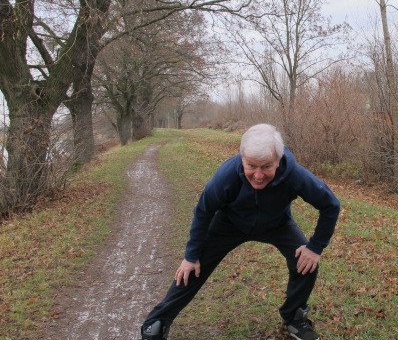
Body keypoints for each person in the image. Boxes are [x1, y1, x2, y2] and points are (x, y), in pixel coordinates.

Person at [140, 124, 341, 340]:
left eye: (266, 167)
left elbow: (330, 205)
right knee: (192, 267)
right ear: (242, 157)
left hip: (277, 223)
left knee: (306, 262)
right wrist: (190, 255)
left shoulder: (295, 175)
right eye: (251, 165)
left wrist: (315, 247)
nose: (258, 175)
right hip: (229, 223)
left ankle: (294, 318)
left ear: (278, 160)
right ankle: (157, 322)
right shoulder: (226, 176)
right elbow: (203, 212)